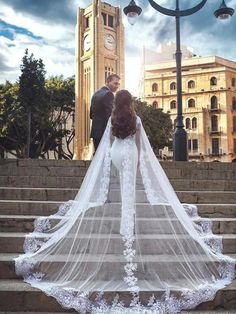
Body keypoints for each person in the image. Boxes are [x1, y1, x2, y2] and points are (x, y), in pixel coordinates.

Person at [15, 90, 235, 314]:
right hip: (130, 152)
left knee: (122, 184)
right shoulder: (136, 119)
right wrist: (139, 161)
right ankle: (127, 224)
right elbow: (139, 144)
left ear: (116, 103)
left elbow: (109, 142)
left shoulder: (112, 119)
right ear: (129, 103)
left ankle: (124, 221)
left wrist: (111, 160)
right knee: (129, 188)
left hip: (117, 152)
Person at [90, 74, 120, 151]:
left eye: (118, 84)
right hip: (104, 133)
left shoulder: (95, 94)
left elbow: (91, 115)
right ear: (107, 82)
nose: (117, 86)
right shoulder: (109, 94)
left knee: (97, 158)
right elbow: (111, 115)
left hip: (95, 133)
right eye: (115, 83)